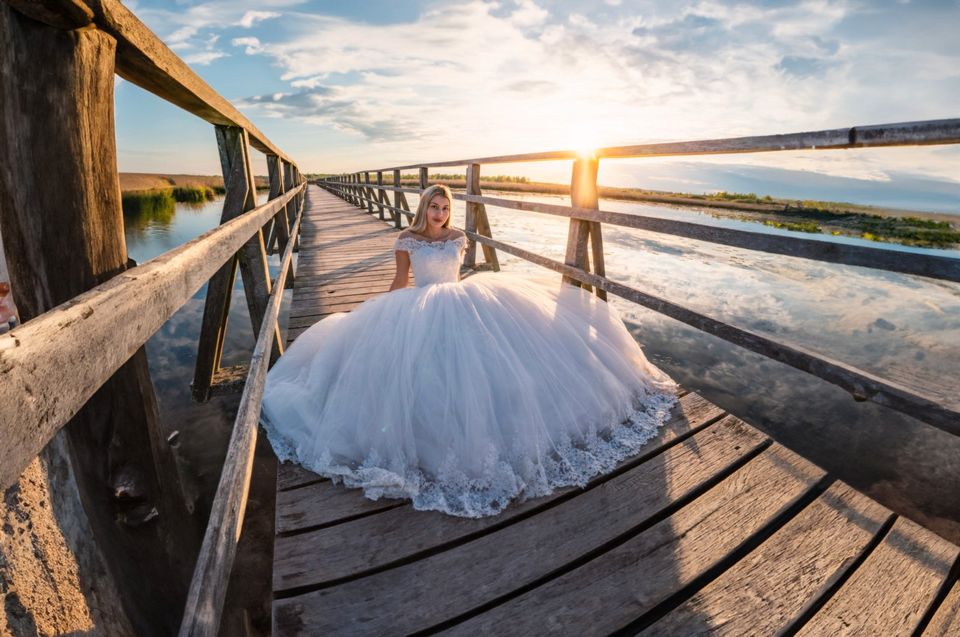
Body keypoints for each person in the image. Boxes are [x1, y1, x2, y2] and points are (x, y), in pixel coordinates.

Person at [259, 184, 678, 518]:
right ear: (423, 208)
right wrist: (373, 312)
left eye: (445, 207)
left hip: (461, 301)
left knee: (493, 364)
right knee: (424, 375)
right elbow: (402, 281)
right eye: (434, 206)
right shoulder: (407, 239)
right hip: (419, 304)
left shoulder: (458, 238)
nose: (440, 214)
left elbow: (457, 273)